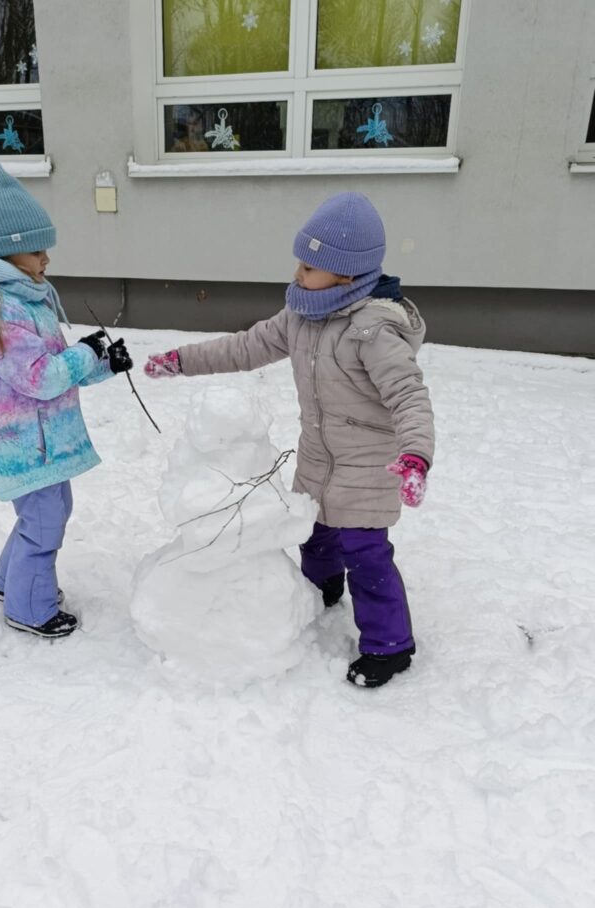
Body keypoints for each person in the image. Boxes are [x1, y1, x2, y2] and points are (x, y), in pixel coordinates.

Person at [143, 192, 434, 687]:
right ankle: (318, 591)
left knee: (366, 557)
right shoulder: (300, 316)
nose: (299, 274)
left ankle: (391, 646)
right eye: (299, 263)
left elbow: (410, 396)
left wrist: (415, 457)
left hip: (368, 469)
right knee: (314, 535)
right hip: (318, 462)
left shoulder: (373, 333)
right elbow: (246, 346)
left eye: (309, 266)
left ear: (346, 275)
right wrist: (183, 360)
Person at [0, 162, 132, 639]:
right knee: (46, 521)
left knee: (44, 512)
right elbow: (41, 377)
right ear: (10, 251)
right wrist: (82, 353)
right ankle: (30, 609)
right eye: (38, 248)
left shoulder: (23, 295)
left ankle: (12, 581)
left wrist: (103, 363)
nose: (47, 258)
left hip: (37, 437)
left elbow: (55, 370)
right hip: (24, 441)